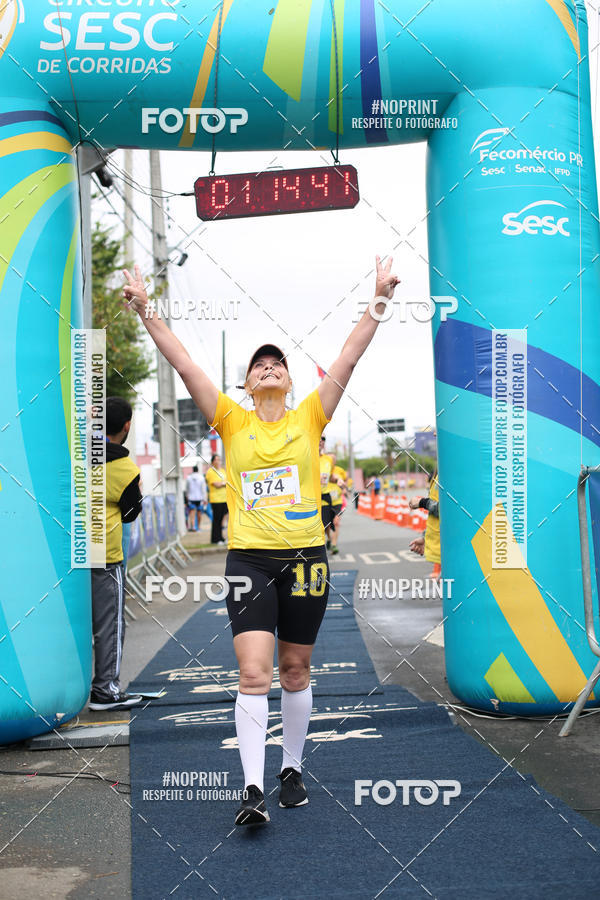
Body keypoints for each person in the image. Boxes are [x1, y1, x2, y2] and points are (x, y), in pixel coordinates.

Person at [122, 255, 400, 826]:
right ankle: (251, 789)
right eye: (259, 364)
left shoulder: (310, 415)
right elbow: (183, 361)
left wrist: (379, 297)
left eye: (278, 362)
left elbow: (350, 354)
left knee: (296, 670)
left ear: (290, 380)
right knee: (254, 673)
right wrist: (147, 311)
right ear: (246, 385)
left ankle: (292, 768)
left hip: (306, 560)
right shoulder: (229, 419)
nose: (269, 366)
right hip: (250, 559)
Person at [89, 397, 143, 711]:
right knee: (109, 624)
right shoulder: (125, 468)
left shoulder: (78, 456)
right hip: (105, 555)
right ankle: (105, 691)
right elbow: (131, 513)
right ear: (126, 426)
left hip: (68, 553)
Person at [409, 470, 441, 580]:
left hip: (456, 554)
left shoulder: (453, 470)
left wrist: (422, 503)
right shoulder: (440, 471)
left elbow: (450, 510)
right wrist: (425, 537)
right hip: (446, 555)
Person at [205, 453, 227, 544]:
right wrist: (223, 483)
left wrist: (222, 483)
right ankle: (215, 539)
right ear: (212, 462)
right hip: (216, 499)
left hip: (224, 498)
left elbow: (227, 481)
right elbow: (216, 484)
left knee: (222, 519)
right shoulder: (210, 472)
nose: (218, 461)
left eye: (219, 459)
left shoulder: (222, 470)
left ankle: (220, 537)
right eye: (216, 460)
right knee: (216, 519)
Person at [327, 461, 347, 555]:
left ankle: (334, 545)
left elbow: (344, 480)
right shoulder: (322, 468)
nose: (332, 461)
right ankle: (329, 539)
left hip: (337, 501)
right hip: (325, 500)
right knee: (327, 525)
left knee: (336, 522)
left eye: (333, 459)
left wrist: (344, 489)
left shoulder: (340, 470)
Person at [319, 438, 335, 550]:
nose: (321, 441)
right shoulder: (307, 456)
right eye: (319, 438)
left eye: (323, 439)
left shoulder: (328, 459)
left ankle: (327, 542)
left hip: (324, 495)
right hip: (309, 497)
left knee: (325, 523)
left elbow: (332, 477)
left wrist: (338, 479)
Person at [185, 465, 207, 532]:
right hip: (199, 498)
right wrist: (205, 499)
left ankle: (194, 526)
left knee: (192, 513)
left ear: (193, 470)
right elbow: (203, 489)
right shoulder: (201, 478)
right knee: (199, 513)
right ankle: (199, 527)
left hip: (191, 498)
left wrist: (187, 497)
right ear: (197, 470)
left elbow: (187, 489)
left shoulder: (188, 478)